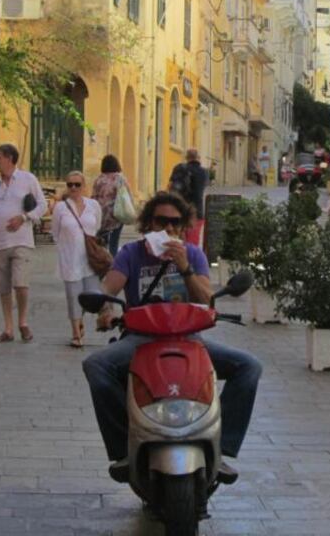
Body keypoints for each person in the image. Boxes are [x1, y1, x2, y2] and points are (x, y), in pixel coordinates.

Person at [81, 192, 262, 473]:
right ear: (148, 224)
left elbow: (206, 300)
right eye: (161, 221)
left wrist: (184, 267)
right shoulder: (132, 254)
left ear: (183, 227)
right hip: (141, 339)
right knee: (96, 365)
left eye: (175, 223)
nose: (168, 229)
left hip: (188, 338)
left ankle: (220, 444)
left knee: (249, 366)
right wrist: (105, 310)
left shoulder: (192, 254)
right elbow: (108, 290)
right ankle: (124, 444)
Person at [0, 143, 48, 343]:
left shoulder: (27, 179)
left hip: (22, 240)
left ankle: (23, 322)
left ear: (9, 159)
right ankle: (8, 328)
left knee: (21, 283)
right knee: (3, 287)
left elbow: (43, 205)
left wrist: (24, 217)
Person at [51, 171, 102, 348]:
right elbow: (55, 232)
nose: (73, 188)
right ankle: (75, 331)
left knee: (91, 295)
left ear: (84, 186)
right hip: (70, 257)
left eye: (77, 184)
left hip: (90, 258)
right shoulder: (61, 208)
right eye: (70, 184)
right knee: (73, 296)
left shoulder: (93, 205)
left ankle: (82, 321)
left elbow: (97, 226)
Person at [168, 148, 210, 248]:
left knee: (177, 240)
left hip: (179, 209)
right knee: (192, 243)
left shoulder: (179, 168)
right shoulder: (203, 172)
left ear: (186, 157)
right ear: (198, 158)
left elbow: (170, 187)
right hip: (196, 211)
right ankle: (191, 261)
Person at [92, 154, 127, 256]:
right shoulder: (119, 178)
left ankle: (102, 260)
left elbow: (94, 196)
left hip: (101, 213)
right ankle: (113, 263)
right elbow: (125, 195)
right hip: (116, 214)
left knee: (102, 240)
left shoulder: (98, 179)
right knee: (114, 241)